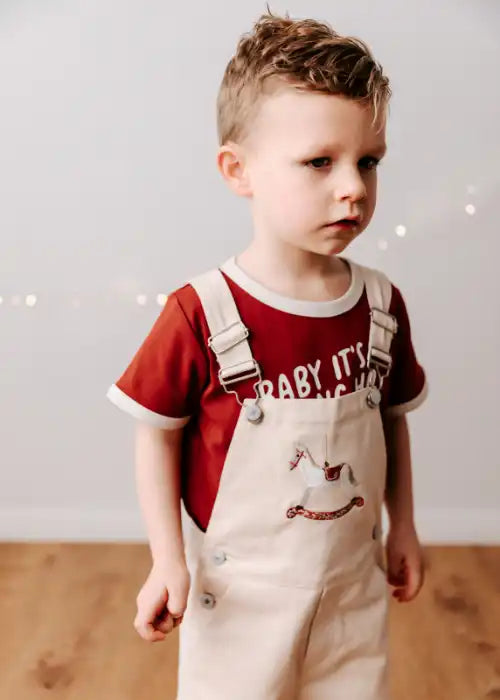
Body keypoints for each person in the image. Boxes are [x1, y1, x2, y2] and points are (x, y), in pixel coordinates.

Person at [106, 8, 428, 699]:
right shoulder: (201, 312)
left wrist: (403, 525)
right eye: (320, 162)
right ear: (238, 169)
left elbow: (390, 421)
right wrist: (167, 559)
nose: (354, 187)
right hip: (240, 603)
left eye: (368, 161)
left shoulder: (380, 305)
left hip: (351, 594)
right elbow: (156, 435)